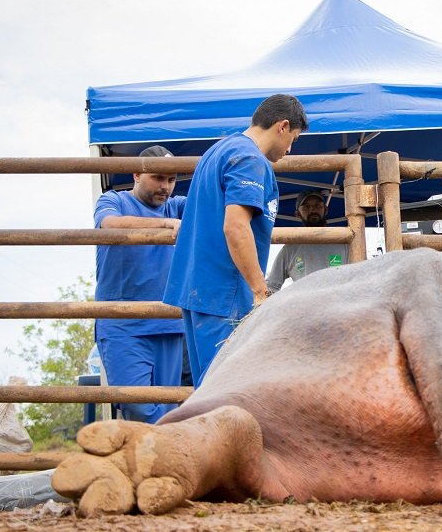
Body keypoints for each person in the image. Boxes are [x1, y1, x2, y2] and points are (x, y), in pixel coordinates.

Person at [164, 94, 308, 386]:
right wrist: (259, 290)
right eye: (292, 138)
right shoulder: (250, 159)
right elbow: (236, 227)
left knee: (208, 387)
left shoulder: (218, 151)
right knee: (226, 390)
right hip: (224, 292)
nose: (290, 149)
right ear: (282, 126)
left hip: (198, 289)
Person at [94, 145, 186, 423]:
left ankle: (160, 463)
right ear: (136, 173)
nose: (165, 187)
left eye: (171, 180)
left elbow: (214, 201)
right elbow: (109, 224)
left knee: (170, 407)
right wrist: (166, 225)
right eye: (158, 178)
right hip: (123, 322)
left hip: (169, 321)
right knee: (138, 406)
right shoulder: (114, 200)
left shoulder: (177, 205)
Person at [266, 189, 348, 292]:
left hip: (339, 305)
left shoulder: (343, 242)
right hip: (305, 306)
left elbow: (359, 279)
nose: (313, 210)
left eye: (318, 206)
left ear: (325, 210)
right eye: (307, 207)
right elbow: (271, 286)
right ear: (297, 214)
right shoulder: (290, 249)